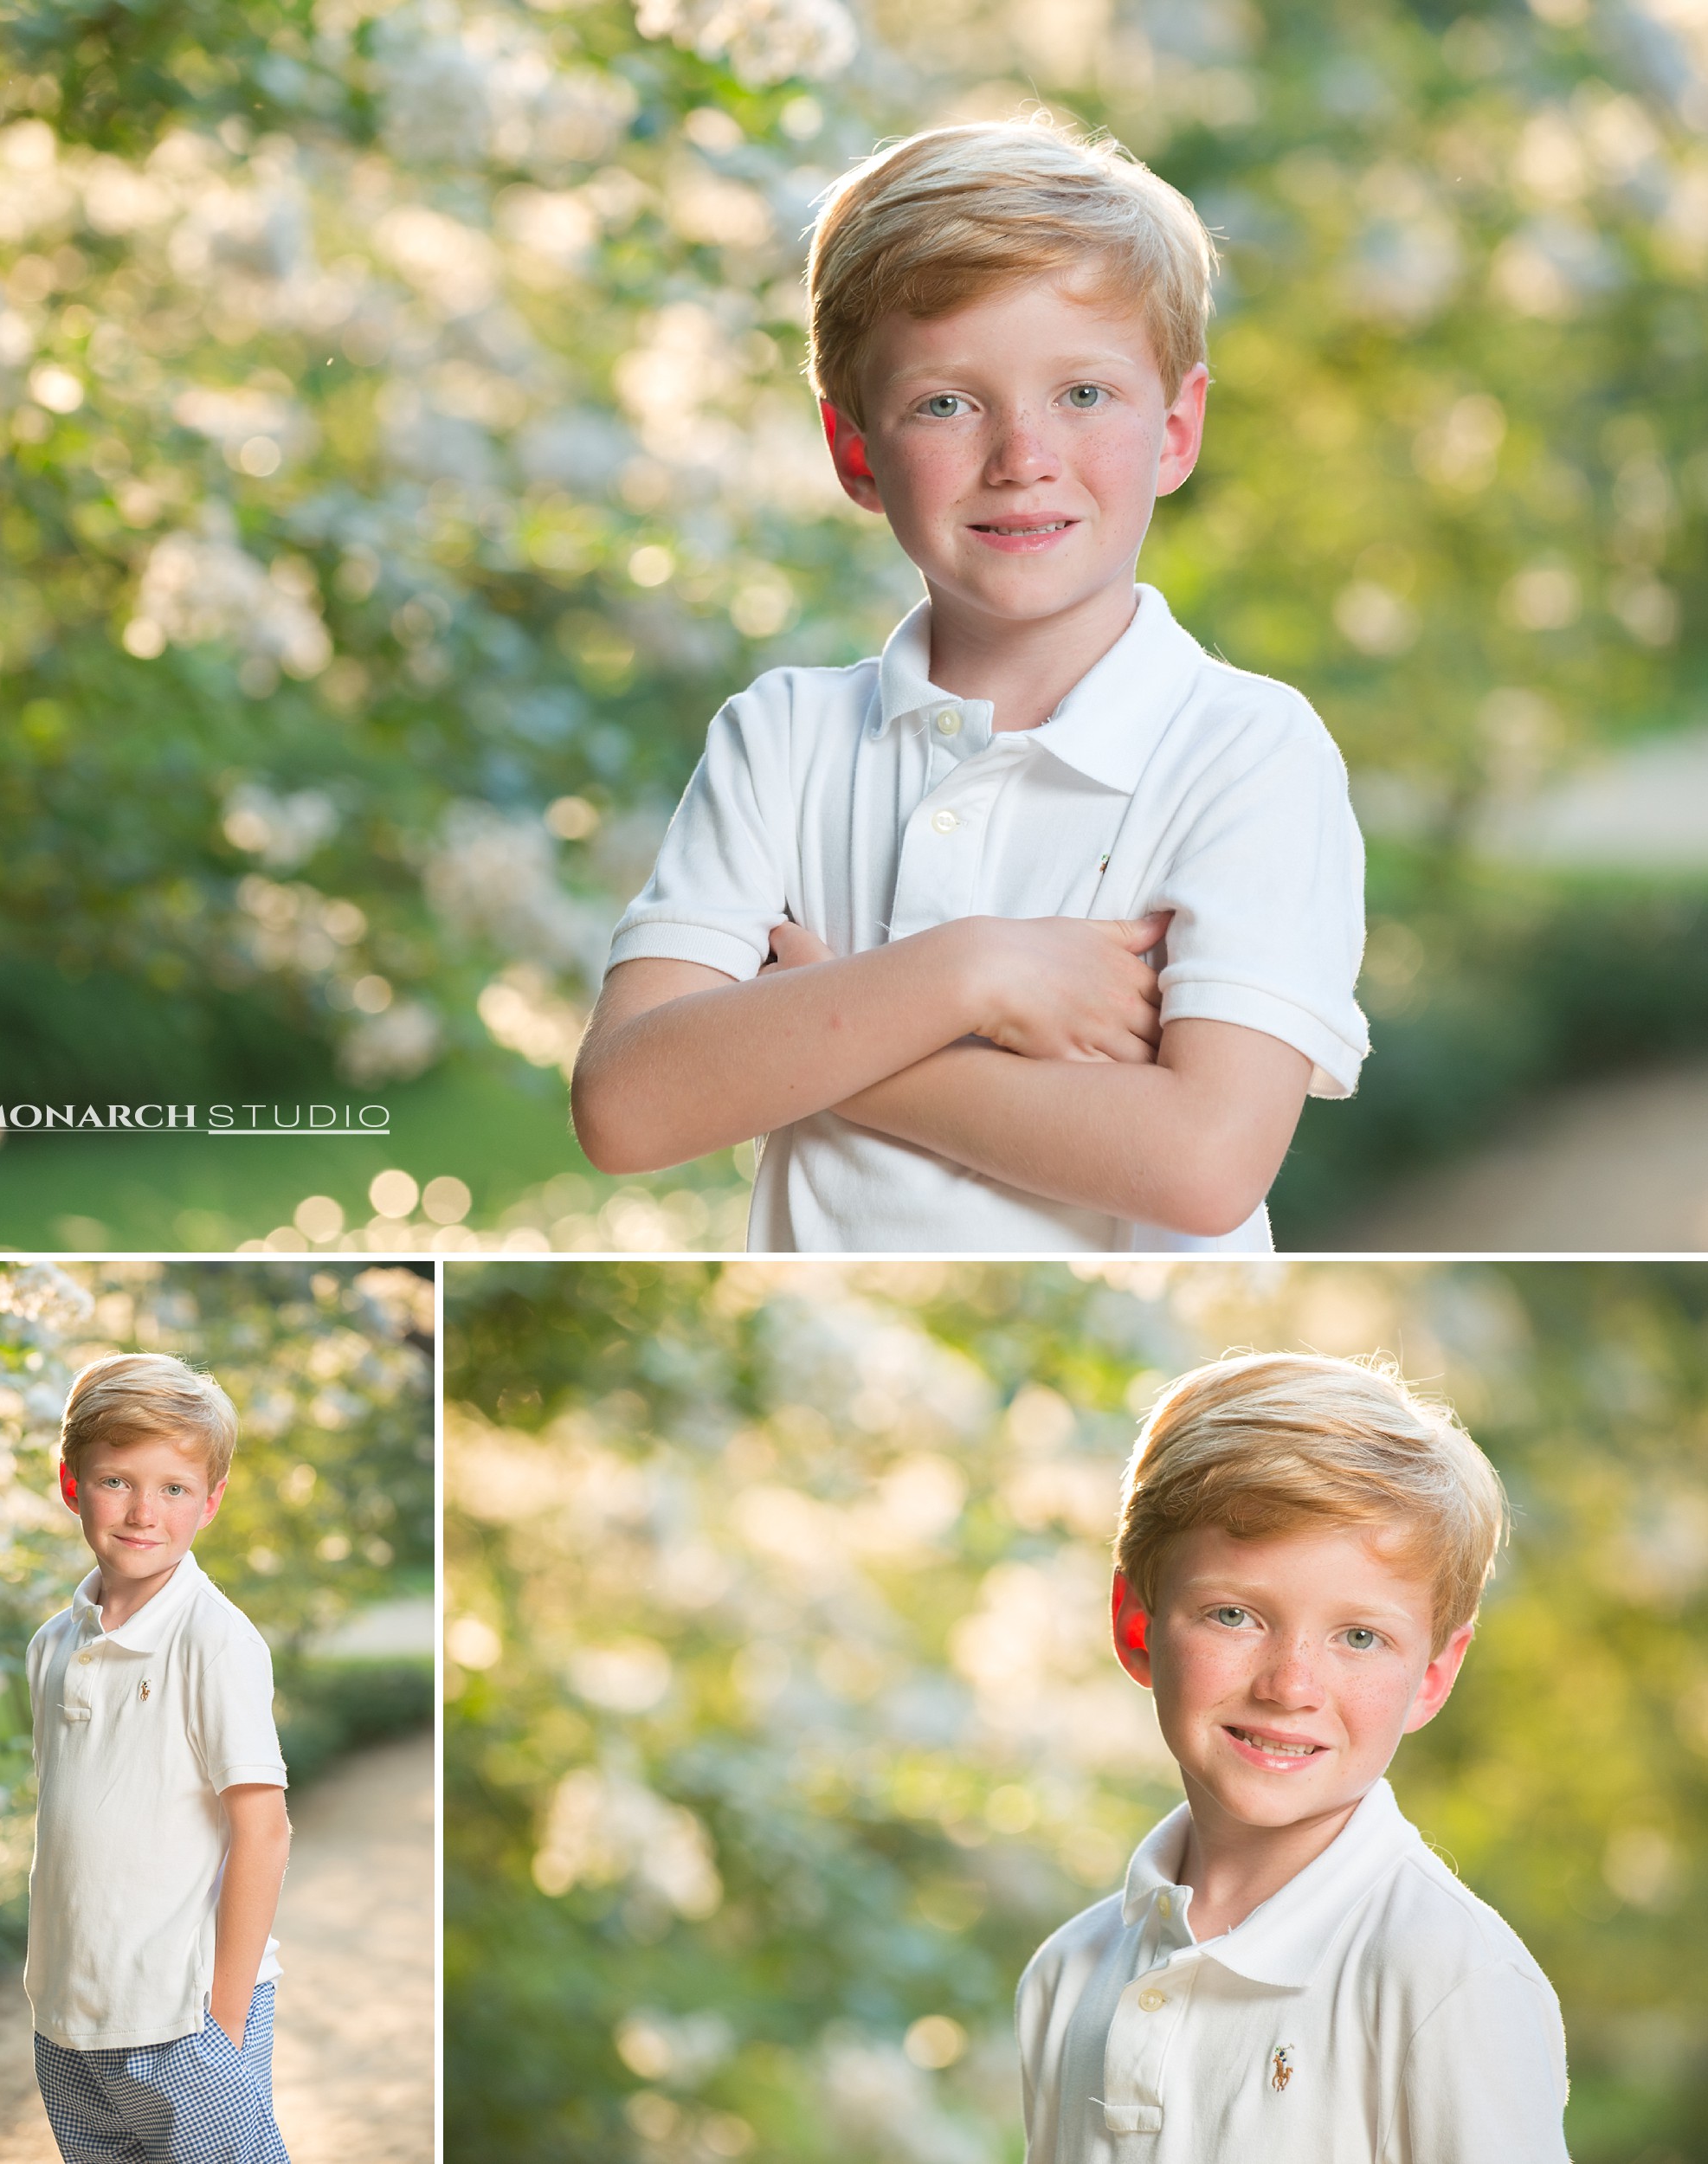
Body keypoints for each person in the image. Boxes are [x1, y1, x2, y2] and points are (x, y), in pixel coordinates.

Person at [570, 119, 1369, 1253]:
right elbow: (626, 1106)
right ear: (856, 455)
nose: (1021, 455)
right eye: (946, 403)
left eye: (1082, 395)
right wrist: (970, 970)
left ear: (1175, 429)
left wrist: (824, 1044)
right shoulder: (784, 738)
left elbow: (1200, 1164)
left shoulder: (1243, 750)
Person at [1016, 1352, 1569, 2162]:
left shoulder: (1447, 1980)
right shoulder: (1070, 1973)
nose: (1290, 1685)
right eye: (1233, 1615)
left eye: (1359, 1637)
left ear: (1431, 1677)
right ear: (1137, 1625)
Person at [26, 1352, 293, 2164]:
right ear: (73, 1485)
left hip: (183, 2017)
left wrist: (227, 2014)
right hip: (69, 2017)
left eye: (173, 1489)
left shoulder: (212, 1640)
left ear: (209, 1503)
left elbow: (265, 1829)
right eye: (116, 1481)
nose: (143, 1511)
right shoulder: (52, 1644)